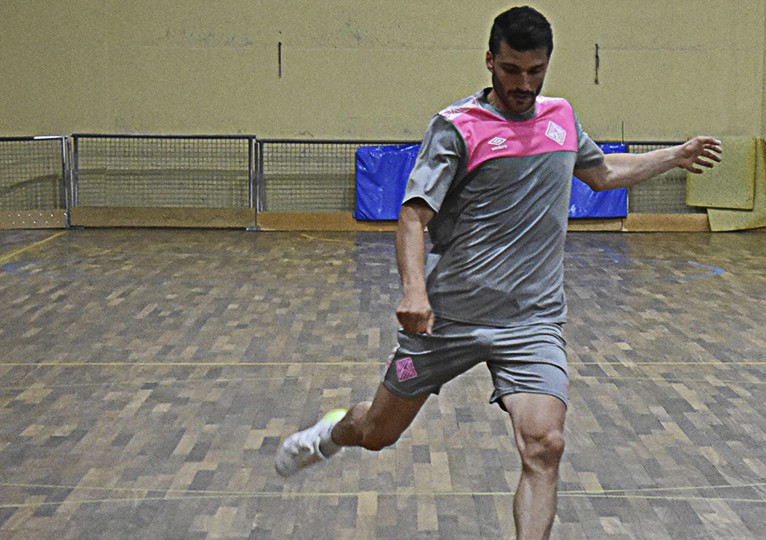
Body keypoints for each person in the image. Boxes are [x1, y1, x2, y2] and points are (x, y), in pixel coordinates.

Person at [276, 5, 721, 538]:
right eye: (512, 70)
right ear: (490, 61)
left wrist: (676, 155)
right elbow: (413, 216)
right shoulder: (457, 127)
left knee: (545, 445)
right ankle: (329, 434)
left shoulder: (561, 118)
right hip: (446, 320)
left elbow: (601, 174)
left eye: (535, 71)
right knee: (377, 432)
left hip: (531, 322)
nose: (524, 83)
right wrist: (414, 292)